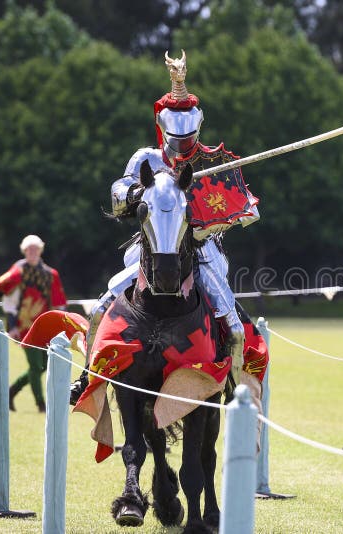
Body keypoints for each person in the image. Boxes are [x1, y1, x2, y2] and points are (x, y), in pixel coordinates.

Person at [70, 50, 265, 416]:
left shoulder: (212, 162)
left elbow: (246, 208)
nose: (183, 147)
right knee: (99, 309)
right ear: (163, 131)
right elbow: (117, 196)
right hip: (152, 251)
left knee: (234, 328)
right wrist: (137, 192)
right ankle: (86, 378)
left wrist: (235, 212)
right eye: (177, 141)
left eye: (189, 139)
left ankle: (236, 388)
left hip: (201, 251)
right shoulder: (146, 158)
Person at [0, 235, 67, 412]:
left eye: (35, 249)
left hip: (45, 326)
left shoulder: (49, 274)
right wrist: (13, 326)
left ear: (40, 250)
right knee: (35, 366)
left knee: (44, 365)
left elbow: (58, 302)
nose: (32, 252)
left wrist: (61, 324)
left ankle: (12, 391)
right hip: (24, 327)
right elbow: (9, 302)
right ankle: (41, 404)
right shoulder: (18, 272)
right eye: (29, 249)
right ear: (24, 251)